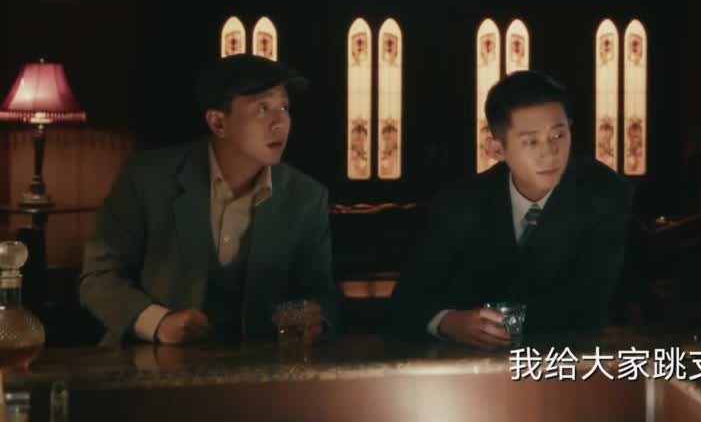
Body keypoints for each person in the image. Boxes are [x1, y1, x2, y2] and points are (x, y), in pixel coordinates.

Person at [80, 54, 341, 346]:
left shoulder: (306, 197)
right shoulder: (148, 179)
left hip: (259, 365)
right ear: (218, 123)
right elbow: (98, 277)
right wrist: (158, 323)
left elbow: (321, 292)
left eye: (284, 108)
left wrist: (316, 317)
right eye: (263, 108)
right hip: (147, 360)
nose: (280, 122)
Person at [387, 70, 633, 348]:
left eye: (558, 135)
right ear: (496, 149)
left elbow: (589, 304)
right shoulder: (461, 202)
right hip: (471, 361)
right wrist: (450, 322)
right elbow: (407, 299)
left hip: (570, 358)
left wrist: (500, 324)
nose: (549, 152)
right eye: (531, 141)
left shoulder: (604, 194)